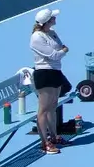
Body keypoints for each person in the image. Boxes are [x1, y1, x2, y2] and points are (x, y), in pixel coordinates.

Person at [30, 9, 70, 155]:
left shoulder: (52, 33)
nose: (55, 18)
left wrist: (61, 51)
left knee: (53, 106)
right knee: (43, 109)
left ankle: (54, 136)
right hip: (44, 74)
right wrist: (63, 51)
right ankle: (44, 142)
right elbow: (55, 55)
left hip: (55, 72)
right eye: (53, 17)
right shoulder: (36, 37)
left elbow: (59, 48)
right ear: (47, 21)